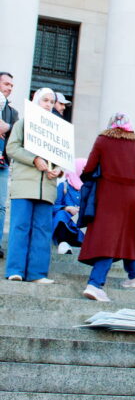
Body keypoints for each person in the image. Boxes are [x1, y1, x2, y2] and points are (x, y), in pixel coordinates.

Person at [78, 113, 135, 302]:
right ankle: (134, 275)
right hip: (131, 196)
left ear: (110, 125)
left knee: (107, 236)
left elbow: (89, 167)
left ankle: (95, 283)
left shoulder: (103, 140)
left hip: (108, 193)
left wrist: (87, 178)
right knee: (127, 233)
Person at [5, 88, 62, 283]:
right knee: (20, 227)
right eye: (44, 100)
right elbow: (12, 148)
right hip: (24, 185)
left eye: (51, 101)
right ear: (35, 101)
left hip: (47, 186)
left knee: (42, 229)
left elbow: (61, 157)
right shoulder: (23, 124)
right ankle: (15, 270)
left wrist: (59, 170)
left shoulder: (57, 129)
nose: (48, 104)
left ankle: (37, 273)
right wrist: (34, 159)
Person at [0, 71, 19, 259]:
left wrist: (8, 127)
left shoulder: (12, 113)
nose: (9, 88)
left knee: (0, 206)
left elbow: (16, 135)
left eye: (11, 85)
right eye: (6, 84)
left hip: (2, 164)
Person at [52, 158, 87, 254]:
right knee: (61, 214)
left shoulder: (88, 188)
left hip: (82, 225)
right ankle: (63, 243)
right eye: (83, 169)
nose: (86, 172)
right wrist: (67, 208)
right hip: (67, 223)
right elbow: (53, 207)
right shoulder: (63, 186)